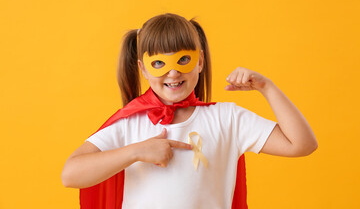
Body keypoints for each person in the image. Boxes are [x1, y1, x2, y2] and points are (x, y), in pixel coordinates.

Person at [61, 13, 318, 209]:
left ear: (201, 61)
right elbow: (70, 174)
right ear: (143, 69)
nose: (173, 72)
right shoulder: (130, 124)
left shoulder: (227, 118)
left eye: (184, 60)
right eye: (159, 63)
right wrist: (136, 151)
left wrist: (267, 88)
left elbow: (301, 145)